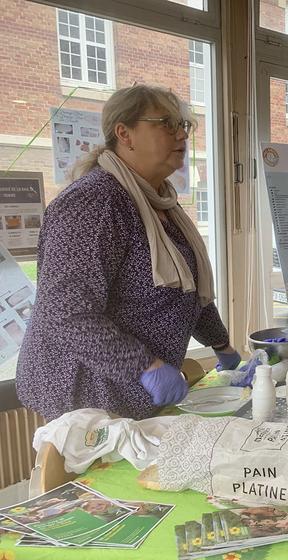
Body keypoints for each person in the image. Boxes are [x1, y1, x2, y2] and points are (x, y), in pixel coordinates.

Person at [17, 85, 244, 420]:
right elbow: (66, 312)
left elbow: (187, 291)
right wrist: (145, 366)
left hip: (136, 393)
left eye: (184, 125)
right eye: (167, 123)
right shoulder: (95, 201)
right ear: (124, 133)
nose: (181, 133)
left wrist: (223, 347)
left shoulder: (161, 202)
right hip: (86, 395)